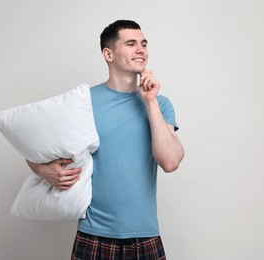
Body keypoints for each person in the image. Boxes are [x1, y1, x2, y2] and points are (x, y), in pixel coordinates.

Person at [26, 20, 184, 260]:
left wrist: (150, 101)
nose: (140, 49)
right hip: (94, 235)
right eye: (131, 43)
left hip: (145, 235)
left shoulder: (160, 104)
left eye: (143, 44)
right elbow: (34, 148)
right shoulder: (83, 102)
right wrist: (42, 170)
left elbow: (170, 162)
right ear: (108, 54)